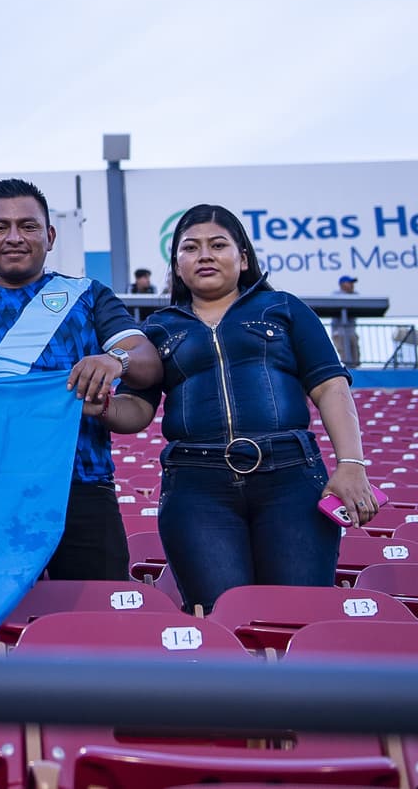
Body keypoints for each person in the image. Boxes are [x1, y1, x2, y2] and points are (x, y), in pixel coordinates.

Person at [103, 204, 374, 613]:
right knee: (223, 618)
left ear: (243, 257)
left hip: (291, 481)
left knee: (298, 616)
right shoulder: (158, 329)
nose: (205, 255)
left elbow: (330, 386)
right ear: (176, 265)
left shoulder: (284, 308)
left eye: (218, 245)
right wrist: (97, 405)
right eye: (190, 248)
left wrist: (351, 464)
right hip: (197, 488)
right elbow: (137, 412)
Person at [0, 178, 161, 581]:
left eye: (28, 225)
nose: (14, 237)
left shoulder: (88, 295)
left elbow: (147, 361)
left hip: (81, 484)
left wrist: (117, 360)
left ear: (50, 235)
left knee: (96, 623)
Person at [331, 274, 360, 367]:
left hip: (351, 333)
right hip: (339, 333)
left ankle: (355, 372)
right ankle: (346, 372)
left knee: (355, 357)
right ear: (342, 284)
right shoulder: (336, 295)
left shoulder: (355, 295)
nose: (352, 285)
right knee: (344, 356)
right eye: (349, 283)